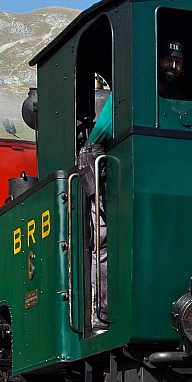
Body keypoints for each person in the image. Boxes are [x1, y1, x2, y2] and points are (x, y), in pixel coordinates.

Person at [78, 91, 112, 331]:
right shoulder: (122, 100)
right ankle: (101, 316)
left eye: (178, 61)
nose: (173, 65)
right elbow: (99, 138)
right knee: (102, 243)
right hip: (97, 171)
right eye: (169, 59)